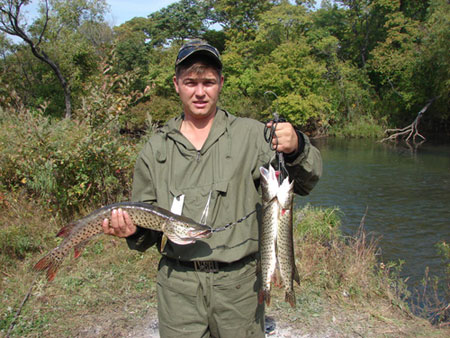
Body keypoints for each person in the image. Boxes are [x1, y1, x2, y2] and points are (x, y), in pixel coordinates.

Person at [102, 40, 322, 338]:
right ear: (176, 84)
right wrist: (132, 231)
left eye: (208, 82)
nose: (200, 91)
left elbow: (307, 181)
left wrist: (297, 146)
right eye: (191, 82)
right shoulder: (155, 148)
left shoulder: (253, 134)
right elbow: (148, 232)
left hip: (240, 287)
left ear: (221, 83)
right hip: (177, 287)